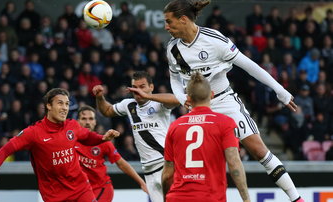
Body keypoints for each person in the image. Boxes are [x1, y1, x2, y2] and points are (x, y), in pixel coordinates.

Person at [162, 1, 302, 201]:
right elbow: (174, 78)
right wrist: (182, 97)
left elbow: (248, 65)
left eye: (169, 22)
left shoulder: (214, 40)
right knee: (199, 162)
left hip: (224, 102)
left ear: (183, 19)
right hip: (199, 108)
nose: (166, 27)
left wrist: (280, 90)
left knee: (258, 150)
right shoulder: (173, 49)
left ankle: (296, 198)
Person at [0, 88, 120, 202]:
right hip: (54, 196)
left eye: (66, 104)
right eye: (60, 103)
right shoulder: (33, 133)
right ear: (48, 105)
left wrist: (103, 138)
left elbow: (87, 137)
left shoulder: (72, 125)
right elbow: (6, 150)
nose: (65, 107)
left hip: (81, 188)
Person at [162, 72, 250, 202]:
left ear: (188, 98)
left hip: (177, 197)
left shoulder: (175, 126)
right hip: (210, 197)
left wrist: (166, 198)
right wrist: (246, 199)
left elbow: (167, 174)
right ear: (212, 95)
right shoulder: (224, 123)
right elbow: (234, 163)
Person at [93, 71, 179, 202]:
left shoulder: (159, 104)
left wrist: (149, 96)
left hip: (165, 164)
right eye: (135, 87)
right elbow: (107, 111)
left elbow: (177, 99)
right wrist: (100, 97)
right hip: (148, 170)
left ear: (151, 87)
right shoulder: (129, 104)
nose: (138, 91)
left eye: (142, 86)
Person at [75, 105, 148, 201]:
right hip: (81, 190)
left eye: (91, 119)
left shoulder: (103, 142)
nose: (87, 122)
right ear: (77, 121)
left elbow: (121, 163)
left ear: (95, 122)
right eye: (83, 119)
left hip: (101, 188)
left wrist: (141, 182)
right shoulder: (69, 141)